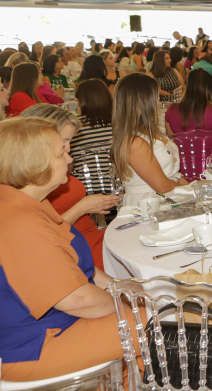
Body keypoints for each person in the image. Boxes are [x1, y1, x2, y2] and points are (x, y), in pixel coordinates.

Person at [0, 118, 134, 382]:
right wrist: (125, 303)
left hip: (56, 326)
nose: (70, 158)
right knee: (166, 326)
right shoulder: (19, 219)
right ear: (34, 164)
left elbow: (77, 267)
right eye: (61, 153)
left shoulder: (28, 203)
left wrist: (122, 287)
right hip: (37, 344)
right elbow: (78, 299)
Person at [18, 105, 119, 269]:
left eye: (70, 141)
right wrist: (82, 207)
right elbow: (44, 236)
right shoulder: (30, 184)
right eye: (64, 141)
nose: (69, 150)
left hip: (92, 242)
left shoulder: (54, 170)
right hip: (75, 255)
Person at [111, 74, 189, 209]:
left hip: (167, 199)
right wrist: (194, 192)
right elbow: (162, 186)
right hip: (148, 205)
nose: (158, 101)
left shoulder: (151, 132)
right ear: (143, 102)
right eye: (156, 96)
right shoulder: (135, 142)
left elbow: (174, 175)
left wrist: (193, 190)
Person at [165, 69, 212, 154]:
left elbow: (171, 142)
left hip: (182, 166)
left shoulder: (171, 111)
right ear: (210, 90)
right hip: (209, 166)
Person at [69, 79, 114, 192]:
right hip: (117, 189)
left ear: (81, 102)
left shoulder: (73, 127)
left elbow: (68, 167)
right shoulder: (119, 124)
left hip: (84, 191)